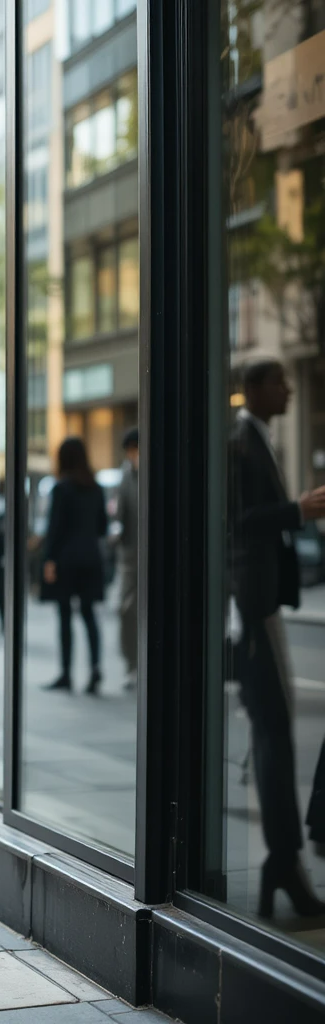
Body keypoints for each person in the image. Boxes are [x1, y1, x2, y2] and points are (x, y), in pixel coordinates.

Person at [228, 359, 325, 918]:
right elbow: (238, 521)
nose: (289, 389)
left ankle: (281, 866)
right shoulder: (244, 440)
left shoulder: (255, 438)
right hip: (253, 607)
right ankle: (283, 863)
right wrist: (298, 510)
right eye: (281, 381)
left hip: (259, 605)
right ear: (258, 388)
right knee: (273, 734)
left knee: (275, 732)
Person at [41, 437, 108, 695]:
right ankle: (95, 669)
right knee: (90, 615)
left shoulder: (62, 488)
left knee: (65, 616)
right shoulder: (96, 488)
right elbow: (102, 526)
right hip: (91, 559)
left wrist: (49, 560)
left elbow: (55, 528)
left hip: (67, 560)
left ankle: (67, 673)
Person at [118, 428, 140, 690]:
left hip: (152, 557)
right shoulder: (125, 475)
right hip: (130, 557)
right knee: (125, 610)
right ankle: (131, 665)